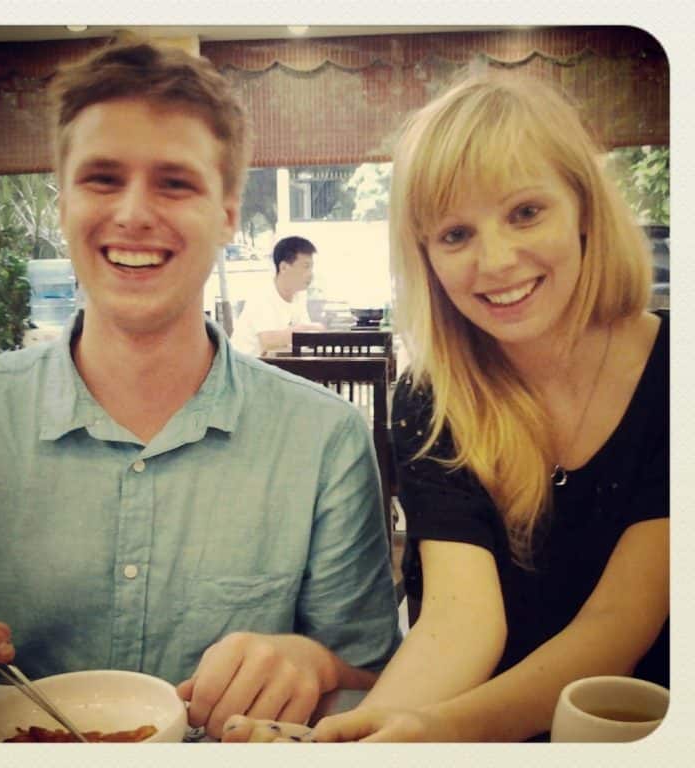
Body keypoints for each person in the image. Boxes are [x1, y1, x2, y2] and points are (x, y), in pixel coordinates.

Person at [0, 41, 400, 740]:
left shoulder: (324, 440)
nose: (133, 212)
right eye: (102, 178)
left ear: (227, 214)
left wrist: (312, 664)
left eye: (174, 183)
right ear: (62, 198)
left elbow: (371, 674)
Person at [222, 71, 669, 743]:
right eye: (456, 234)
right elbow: (462, 621)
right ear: (425, 256)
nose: (495, 261)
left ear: (582, 209)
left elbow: (619, 627)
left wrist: (429, 733)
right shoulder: (430, 399)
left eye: (525, 212)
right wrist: (354, 742)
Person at [230, 236, 324, 356]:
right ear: (284, 267)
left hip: (273, 366)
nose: (311, 274)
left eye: (311, 267)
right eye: (306, 267)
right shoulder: (262, 294)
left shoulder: (299, 295)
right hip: (245, 369)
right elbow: (268, 341)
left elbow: (304, 339)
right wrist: (306, 329)